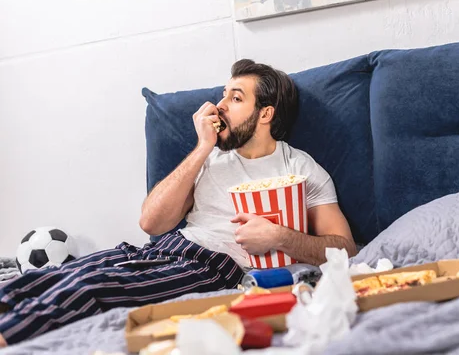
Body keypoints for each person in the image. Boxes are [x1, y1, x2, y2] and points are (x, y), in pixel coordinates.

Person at [0, 59, 357, 347]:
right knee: (57, 275)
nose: (219, 105)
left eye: (235, 98)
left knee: (89, 287)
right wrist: (202, 148)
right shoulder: (209, 157)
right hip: (161, 249)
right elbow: (151, 224)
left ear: (265, 113)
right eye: (223, 95)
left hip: (213, 267)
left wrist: (279, 236)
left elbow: (345, 249)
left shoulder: (300, 168)